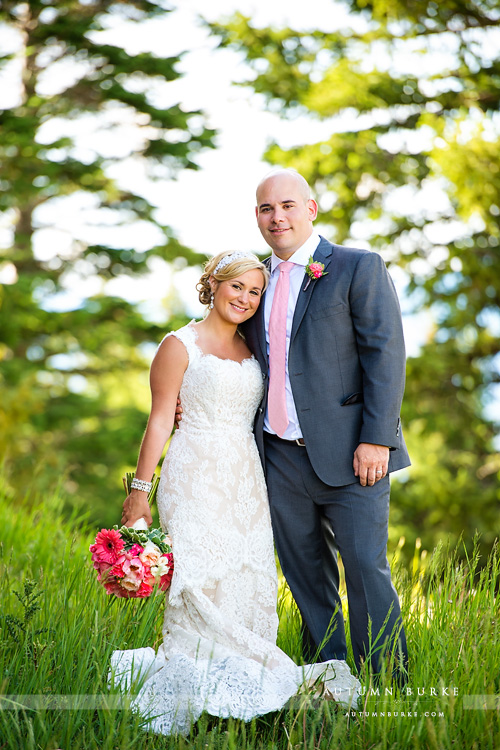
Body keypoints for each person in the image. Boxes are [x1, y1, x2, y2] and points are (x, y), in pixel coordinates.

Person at [112, 252, 360, 736]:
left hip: (246, 478)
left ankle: (240, 682)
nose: (245, 299)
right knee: (200, 576)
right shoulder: (178, 345)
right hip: (194, 475)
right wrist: (139, 492)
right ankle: (193, 682)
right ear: (214, 284)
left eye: (255, 292)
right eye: (237, 287)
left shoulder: (254, 348)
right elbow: (161, 418)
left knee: (249, 577)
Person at [240, 168, 410, 680]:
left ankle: (385, 685)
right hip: (278, 457)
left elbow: (386, 355)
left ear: (311, 209)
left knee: (365, 572)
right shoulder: (254, 279)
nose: (278, 217)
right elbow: (234, 353)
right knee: (305, 577)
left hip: (354, 454)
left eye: (288, 206)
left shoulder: (358, 267)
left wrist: (376, 438)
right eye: (267, 209)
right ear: (258, 217)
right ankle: (330, 681)